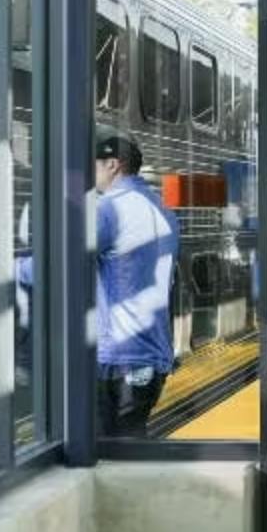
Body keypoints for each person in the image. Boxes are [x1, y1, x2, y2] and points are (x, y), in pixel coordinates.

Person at [93, 135, 177, 436]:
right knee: (130, 446)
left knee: (106, 456)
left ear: (113, 165)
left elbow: (61, 263)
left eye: (95, 165)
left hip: (120, 357)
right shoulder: (162, 207)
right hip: (153, 355)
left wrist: (6, 270)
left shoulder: (109, 208)